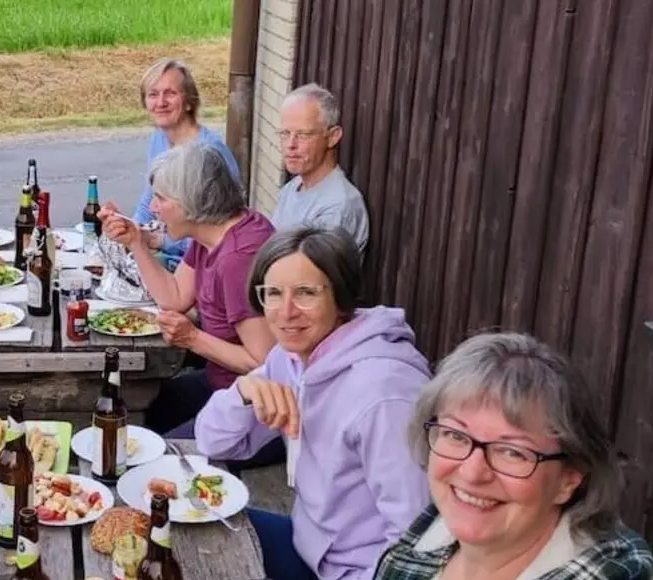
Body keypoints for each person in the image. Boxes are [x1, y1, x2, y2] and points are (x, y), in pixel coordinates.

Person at [195, 227, 432, 580]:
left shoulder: (385, 395)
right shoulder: (291, 359)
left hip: (354, 570)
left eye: (306, 293)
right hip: (308, 545)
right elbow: (213, 441)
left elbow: (418, 539)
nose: (286, 312)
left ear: (341, 298)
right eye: (273, 293)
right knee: (183, 521)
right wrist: (243, 393)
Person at [375, 333, 653, 580]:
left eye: (512, 452)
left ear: (569, 478)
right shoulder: (427, 534)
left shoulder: (616, 572)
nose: (473, 473)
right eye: (456, 436)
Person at [99, 143, 275, 438]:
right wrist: (136, 242)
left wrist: (192, 338)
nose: (153, 207)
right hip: (222, 382)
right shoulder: (212, 233)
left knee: (159, 455)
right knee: (133, 412)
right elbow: (175, 298)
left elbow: (262, 361)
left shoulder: (238, 259)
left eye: (161, 199)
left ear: (192, 204)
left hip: (257, 404)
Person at [133, 58, 241, 271]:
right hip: (170, 257)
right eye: (153, 94)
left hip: (203, 268)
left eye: (170, 93)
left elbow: (221, 232)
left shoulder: (210, 152)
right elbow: (151, 198)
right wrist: (132, 228)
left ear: (190, 101)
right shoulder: (159, 138)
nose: (161, 102)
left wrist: (160, 241)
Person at [271, 84, 369, 257]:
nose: (290, 145)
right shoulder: (293, 186)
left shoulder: (338, 207)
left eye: (303, 135)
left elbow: (310, 279)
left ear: (333, 137)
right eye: (285, 133)